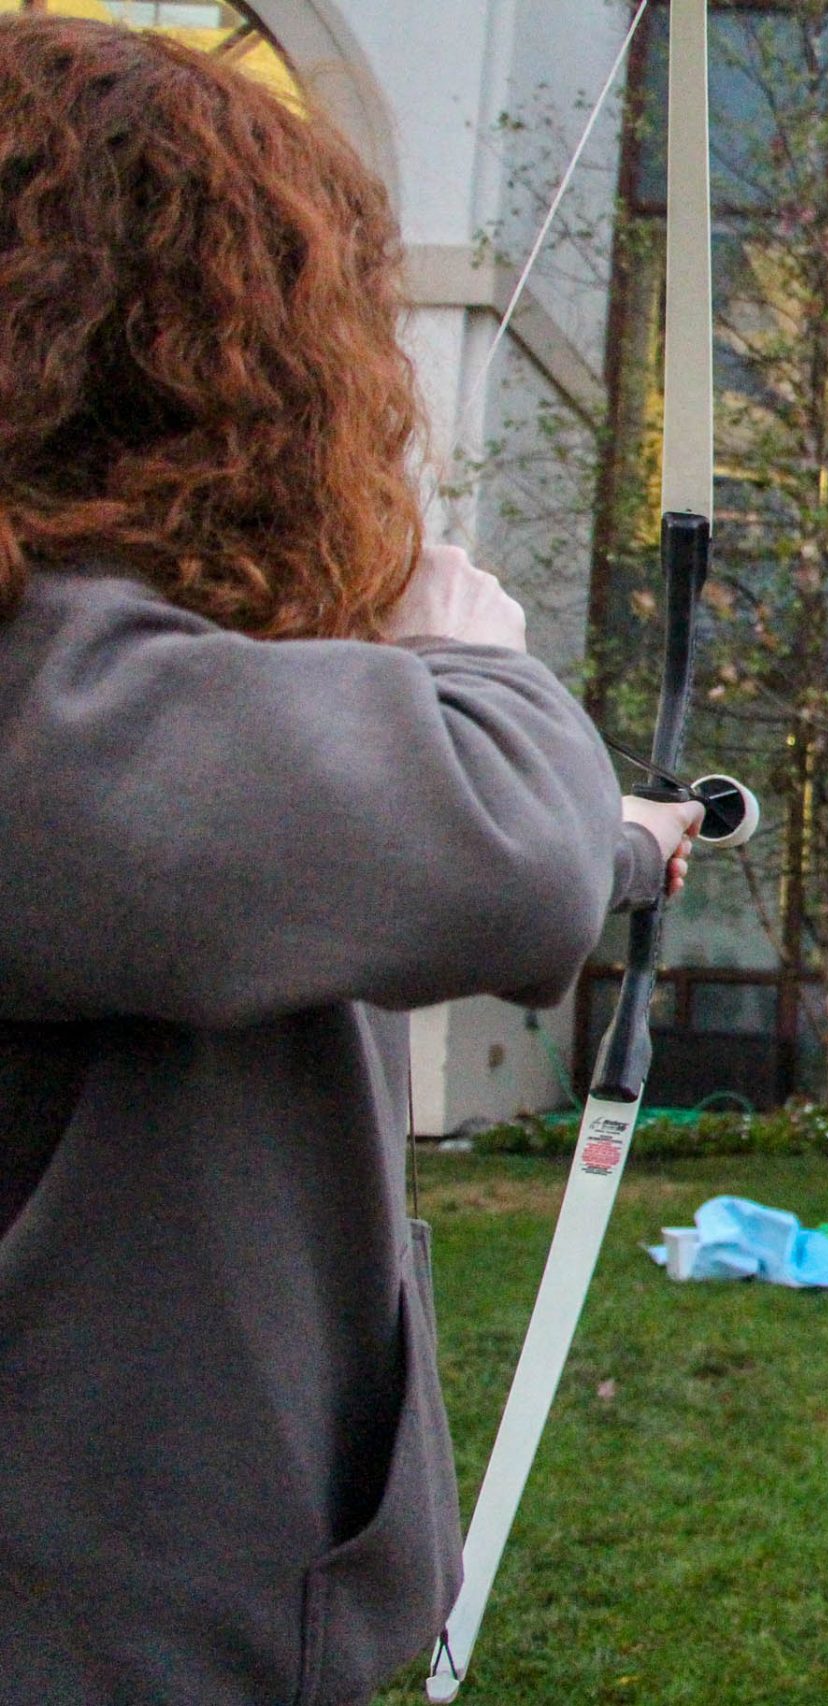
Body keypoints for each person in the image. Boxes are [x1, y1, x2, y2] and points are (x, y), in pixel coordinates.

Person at [0, 19, 699, 1702]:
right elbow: (497, 850)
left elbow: (335, 861)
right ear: (196, 348)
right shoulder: (58, 701)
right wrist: (461, 651)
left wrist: (614, 840)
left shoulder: (101, 727)